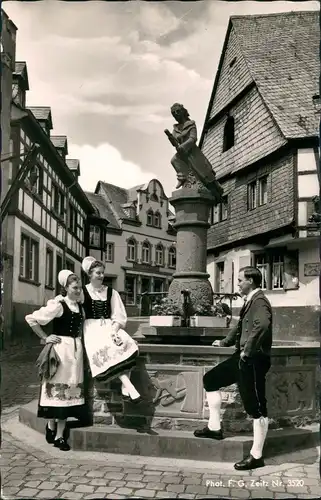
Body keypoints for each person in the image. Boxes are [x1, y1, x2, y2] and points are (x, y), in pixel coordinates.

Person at [194, 266, 272, 471]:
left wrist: (248, 350)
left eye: (240, 280)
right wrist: (224, 342)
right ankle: (214, 428)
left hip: (253, 359)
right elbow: (239, 326)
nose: (237, 284)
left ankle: (256, 456)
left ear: (251, 282)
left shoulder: (260, 301)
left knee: (256, 407)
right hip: (242, 357)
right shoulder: (250, 301)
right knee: (211, 380)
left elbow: (262, 326)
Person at [25, 270, 86, 451]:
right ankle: (59, 436)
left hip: (76, 353)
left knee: (69, 390)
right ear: (65, 288)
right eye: (74, 287)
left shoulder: (79, 306)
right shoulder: (59, 305)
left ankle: (52, 428)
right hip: (60, 352)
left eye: (79, 287)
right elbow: (32, 318)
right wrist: (45, 338)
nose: (78, 290)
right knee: (58, 389)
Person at [81, 256, 141, 403]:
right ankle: (129, 387)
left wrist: (114, 330)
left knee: (127, 344)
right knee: (106, 351)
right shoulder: (82, 292)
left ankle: (126, 388)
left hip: (109, 327)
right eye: (98, 273)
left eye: (102, 272)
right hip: (92, 330)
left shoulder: (111, 292)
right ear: (90, 274)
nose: (101, 276)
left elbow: (119, 315)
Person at [166, 103, 220, 198]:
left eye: (177, 111)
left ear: (183, 111)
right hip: (181, 152)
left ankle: (210, 185)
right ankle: (183, 178)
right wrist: (171, 139)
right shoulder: (175, 128)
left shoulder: (191, 124)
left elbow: (193, 138)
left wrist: (183, 147)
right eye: (173, 113)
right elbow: (175, 141)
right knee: (174, 160)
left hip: (192, 151)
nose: (176, 114)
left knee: (202, 170)